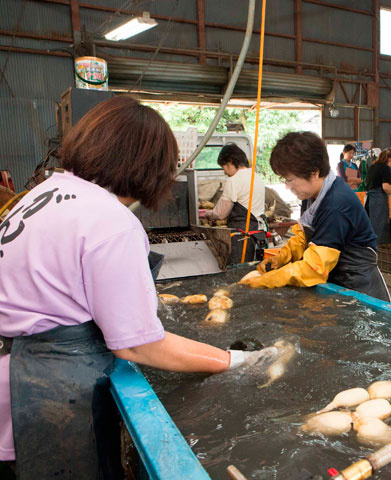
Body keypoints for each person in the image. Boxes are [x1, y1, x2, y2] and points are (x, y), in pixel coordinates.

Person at [0, 96, 277, 479]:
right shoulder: (109, 220)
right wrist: (234, 361)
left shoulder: (42, 194)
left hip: (15, 374)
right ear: (149, 168)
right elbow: (136, 343)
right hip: (43, 398)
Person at [239, 131, 391, 302]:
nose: (288, 187)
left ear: (314, 172)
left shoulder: (336, 204)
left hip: (360, 289)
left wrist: (268, 280)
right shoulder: (313, 195)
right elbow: (306, 235)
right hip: (336, 283)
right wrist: (283, 256)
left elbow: (314, 268)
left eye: (290, 179)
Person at [203, 144, 266, 264]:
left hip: (243, 236)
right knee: (255, 267)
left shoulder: (234, 180)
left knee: (240, 271)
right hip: (259, 232)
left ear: (230, 162)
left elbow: (221, 214)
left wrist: (207, 214)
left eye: (224, 167)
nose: (225, 172)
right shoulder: (256, 176)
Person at [365, 148, 391, 246]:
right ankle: (374, 250)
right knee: (377, 226)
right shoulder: (385, 168)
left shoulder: (373, 166)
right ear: (390, 159)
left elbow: (375, 182)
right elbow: (385, 187)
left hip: (369, 199)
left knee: (370, 226)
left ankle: (369, 250)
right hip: (378, 200)